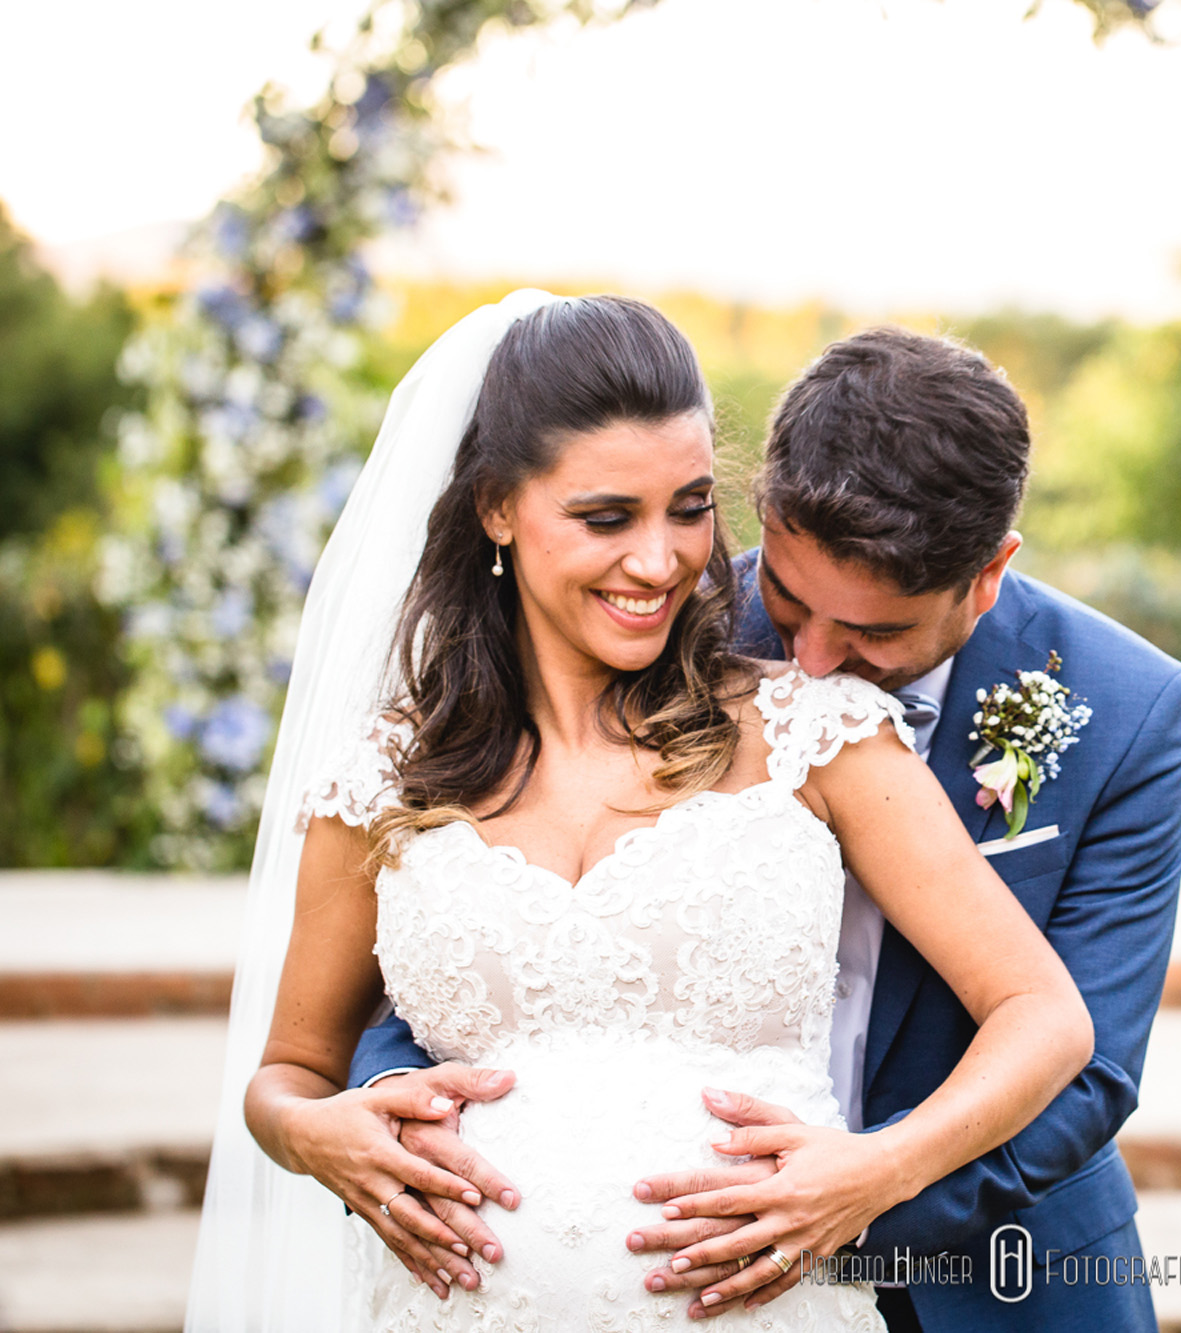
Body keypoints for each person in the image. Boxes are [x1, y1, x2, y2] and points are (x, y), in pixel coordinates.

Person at [190, 291, 1095, 1332]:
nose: (661, 559)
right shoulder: (386, 774)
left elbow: (1045, 1013)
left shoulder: (817, 735)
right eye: (606, 517)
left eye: (690, 504)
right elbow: (289, 1073)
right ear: (496, 507)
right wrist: (312, 1134)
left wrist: (873, 1171)